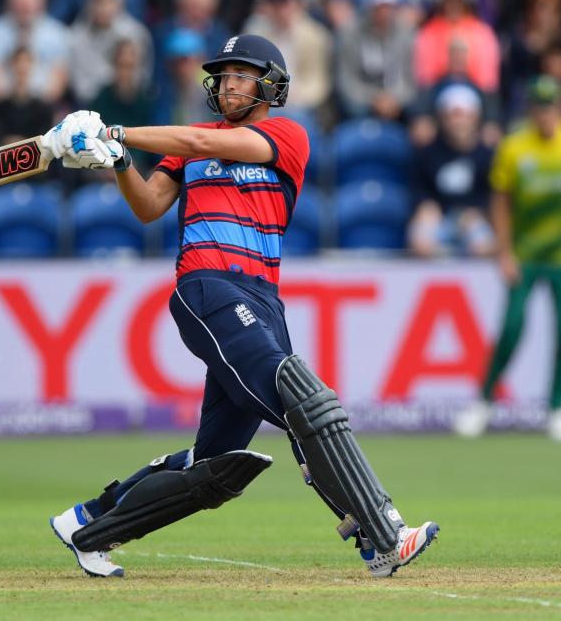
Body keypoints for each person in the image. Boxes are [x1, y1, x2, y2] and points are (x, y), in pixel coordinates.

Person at [40, 34, 438, 578]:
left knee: (215, 468)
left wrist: (114, 131)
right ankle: (384, 533)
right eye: (223, 76)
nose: (228, 84)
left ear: (269, 86)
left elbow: (203, 146)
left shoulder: (286, 135)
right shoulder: (189, 142)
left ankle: (88, 523)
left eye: (241, 75)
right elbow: (149, 206)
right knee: (305, 400)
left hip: (263, 300)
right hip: (209, 285)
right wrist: (118, 158)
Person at [453, 76, 561, 444]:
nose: (545, 114)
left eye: (551, 106)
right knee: (511, 328)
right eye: (539, 106)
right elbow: (501, 201)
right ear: (531, 109)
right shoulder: (514, 148)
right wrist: (505, 252)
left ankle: (558, 408)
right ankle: (484, 401)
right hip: (525, 254)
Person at [409, 82, 494, 257]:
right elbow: (419, 191)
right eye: (453, 115)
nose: (459, 122)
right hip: (440, 219)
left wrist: (479, 212)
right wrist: (426, 206)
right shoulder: (427, 153)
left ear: (476, 117)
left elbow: (493, 195)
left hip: (474, 219)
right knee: (421, 241)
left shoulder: (487, 155)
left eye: (464, 115)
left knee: (483, 243)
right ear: (441, 118)